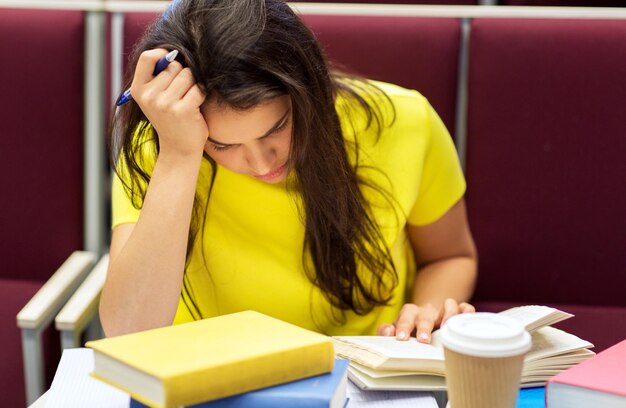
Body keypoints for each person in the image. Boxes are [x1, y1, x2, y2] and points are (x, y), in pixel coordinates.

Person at [100, 0, 477, 342]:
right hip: (208, 376)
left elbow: (449, 257)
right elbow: (129, 331)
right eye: (222, 145)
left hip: (360, 365)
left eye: (276, 128)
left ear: (310, 91)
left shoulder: (404, 122)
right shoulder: (164, 145)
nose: (263, 164)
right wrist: (181, 155)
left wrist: (427, 311)